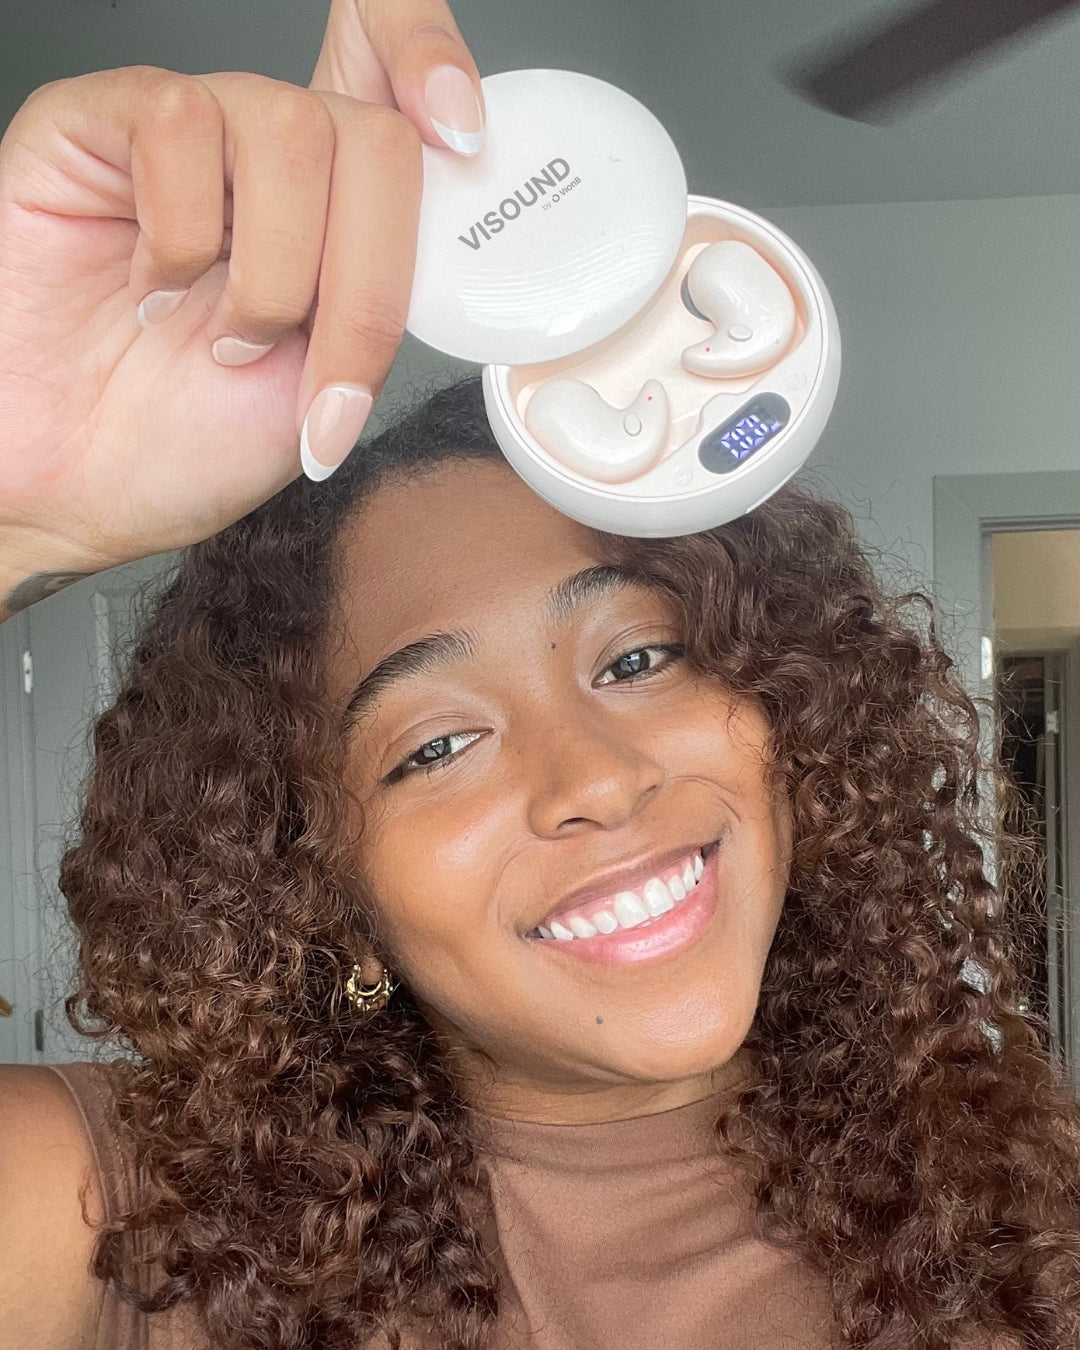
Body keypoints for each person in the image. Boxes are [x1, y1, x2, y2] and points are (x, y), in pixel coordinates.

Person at [0, 3, 1077, 1348]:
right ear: (320, 882)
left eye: (637, 657)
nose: (597, 782)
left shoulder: (1038, 1220)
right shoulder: (114, 1218)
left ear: (785, 710)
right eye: (435, 745)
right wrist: (18, 506)